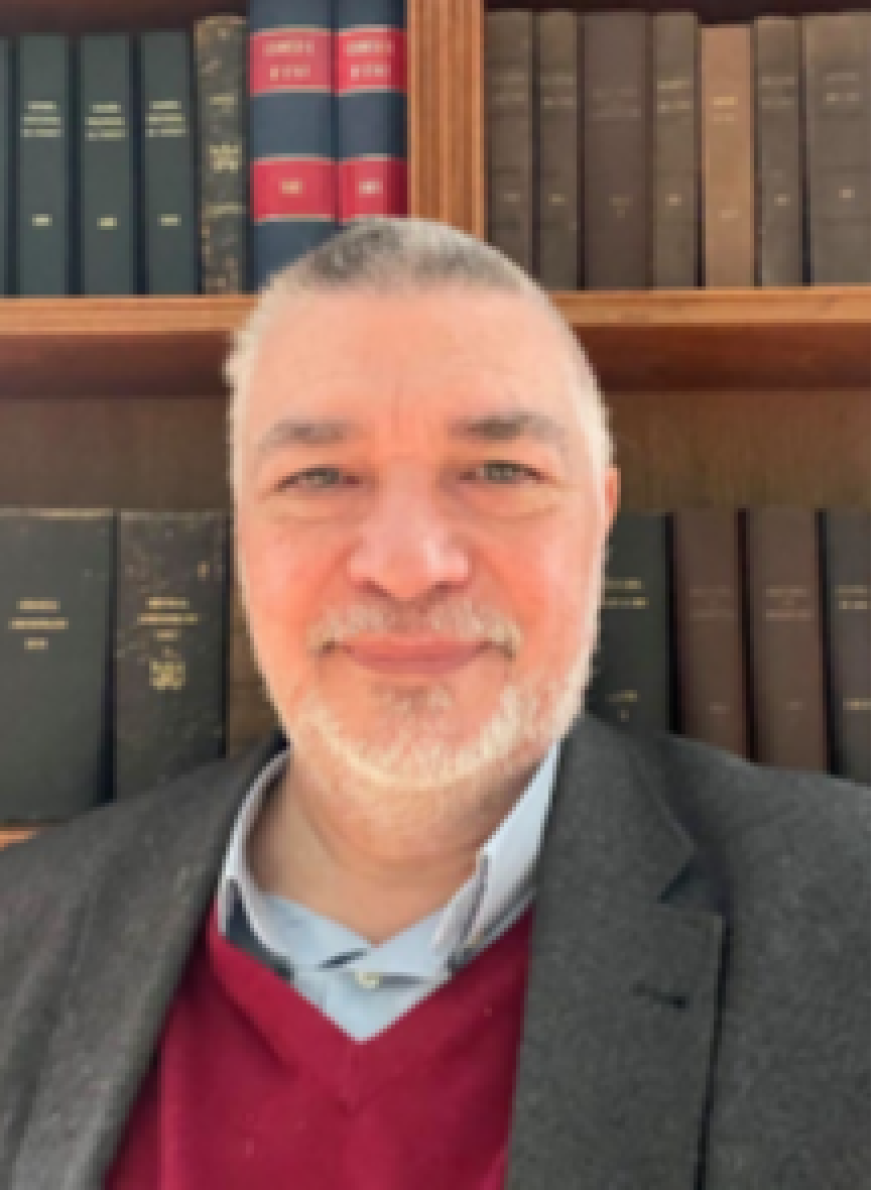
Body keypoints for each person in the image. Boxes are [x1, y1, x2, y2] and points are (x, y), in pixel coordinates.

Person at [0, 219, 869, 1190]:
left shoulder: (848, 913)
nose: (408, 566)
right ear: (243, 530)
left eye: (500, 471)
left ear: (599, 518)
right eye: (319, 476)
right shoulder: (20, 935)